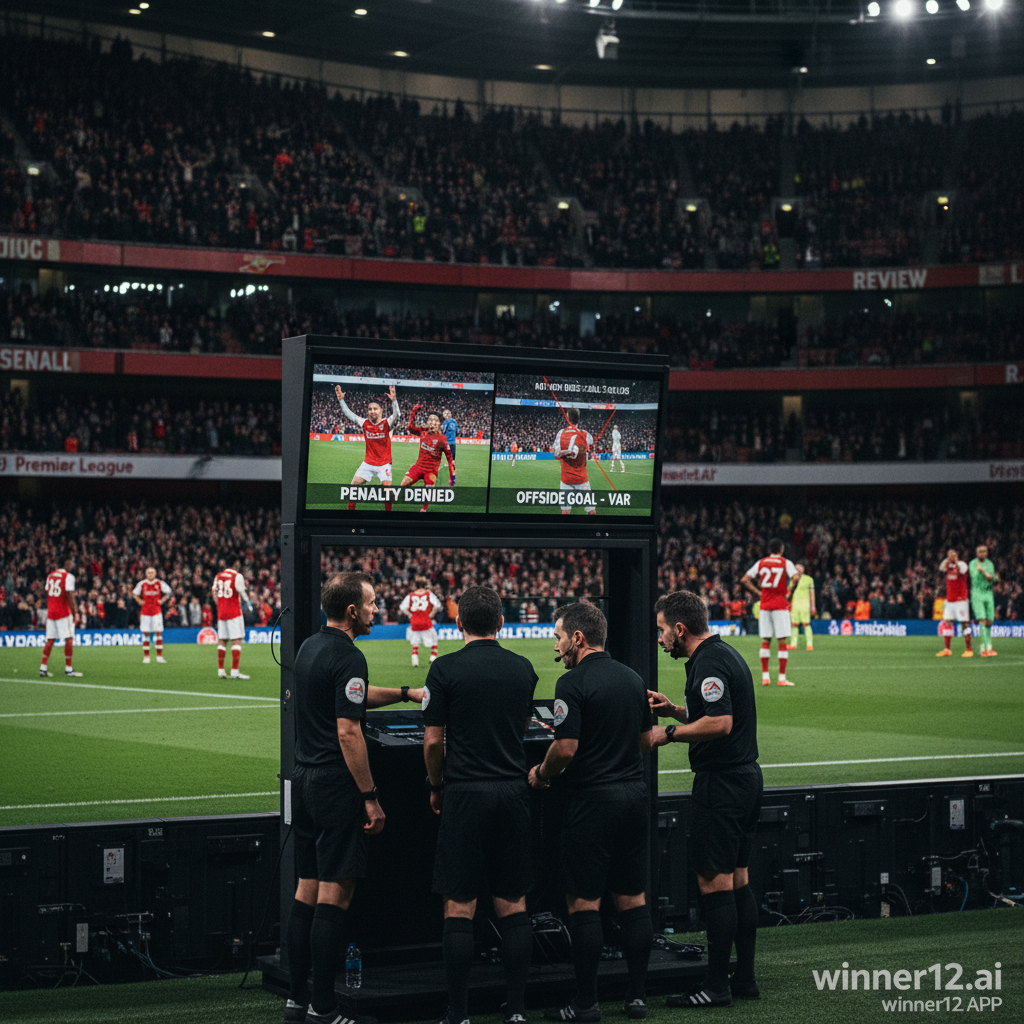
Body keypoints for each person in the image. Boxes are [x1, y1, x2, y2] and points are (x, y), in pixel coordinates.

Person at [284, 571, 425, 1024]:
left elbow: (352, 699)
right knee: (334, 897)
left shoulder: (309, 647)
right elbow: (348, 730)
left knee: (306, 891)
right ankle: (324, 1008)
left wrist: (406, 694)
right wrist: (370, 795)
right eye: (371, 602)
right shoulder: (349, 656)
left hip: (304, 779)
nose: (376, 609)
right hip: (334, 785)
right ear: (351, 610)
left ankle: (296, 1000)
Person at [529, 602, 654, 1022]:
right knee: (632, 899)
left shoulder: (572, 683)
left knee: (584, 903)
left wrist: (541, 773)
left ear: (578, 638)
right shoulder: (634, 678)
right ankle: (636, 998)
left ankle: (585, 1003)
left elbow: (565, 748)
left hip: (592, 802)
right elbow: (645, 741)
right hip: (634, 797)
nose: (557, 647)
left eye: (559, 638)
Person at [422, 586, 539, 1024]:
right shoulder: (523, 668)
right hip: (512, 791)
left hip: (465, 792)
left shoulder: (444, 668)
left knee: (459, 905)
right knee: (513, 903)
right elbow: (523, 724)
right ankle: (517, 1010)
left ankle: (459, 1013)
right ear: (501, 623)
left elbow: (432, 741)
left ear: (458, 623)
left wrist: (437, 784)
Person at [648, 590, 762, 1009]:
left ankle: (715, 986)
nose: (660, 639)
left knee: (714, 883)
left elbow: (721, 722)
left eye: (662, 630)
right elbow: (713, 713)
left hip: (722, 784)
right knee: (738, 879)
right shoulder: (724, 653)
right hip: (746, 779)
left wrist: (668, 733)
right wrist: (676, 711)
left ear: (680, 629)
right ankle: (744, 977)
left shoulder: (709, 662)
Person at [334, 383, 400, 512]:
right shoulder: (364, 423)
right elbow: (350, 415)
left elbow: (397, 415)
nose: (372, 411)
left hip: (384, 464)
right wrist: (341, 400)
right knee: (353, 487)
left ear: (381, 410)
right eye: (370, 409)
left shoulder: (387, 423)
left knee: (387, 491)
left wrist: (394, 401)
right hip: (368, 463)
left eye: (375, 409)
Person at [741, 539, 799, 686]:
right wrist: (790, 593)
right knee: (782, 642)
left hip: (765, 605)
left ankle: (765, 677)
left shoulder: (761, 563)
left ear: (769, 550)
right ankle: (781, 678)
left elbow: (745, 579)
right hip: (780, 605)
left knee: (766, 641)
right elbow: (796, 577)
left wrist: (759, 593)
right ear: (781, 549)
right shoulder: (786, 563)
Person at [399, 405, 456, 513]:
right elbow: (410, 427)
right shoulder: (423, 432)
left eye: (435, 420)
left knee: (429, 491)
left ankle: (424, 508)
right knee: (403, 485)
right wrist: (414, 412)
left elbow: (450, 460)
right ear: (427, 422)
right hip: (418, 467)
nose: (432, 422)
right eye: (430, 419)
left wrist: (452, 478)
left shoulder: (442, 440)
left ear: (440, 424)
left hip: (431, 471)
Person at [40, 559, 82, 678]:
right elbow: (70, 596)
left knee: (50, 640)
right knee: (69, 639)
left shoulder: (50, 576)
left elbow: (47, 592)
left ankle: (43, 668)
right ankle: (68, 669)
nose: (73, 565)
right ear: (66, 563)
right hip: (64, 612)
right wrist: (75, 612)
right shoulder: (68, 577)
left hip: (51, 612)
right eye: (71, 562)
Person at [552, 407, 595, 516]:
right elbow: (590, 454)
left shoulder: (561, 433)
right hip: (582, 479)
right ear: (578, 419)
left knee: (566, 511)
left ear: (567, 418)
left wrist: (566, 453)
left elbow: (556, 455)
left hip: (566, 479)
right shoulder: (586, 435)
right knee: (591, 511)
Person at [212, 561, 250, 679]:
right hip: (234, 612)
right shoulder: (237, 576)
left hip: (222, 613)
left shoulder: (218, 576)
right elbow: (241, 591)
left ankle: (221, 670)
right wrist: (248, 603)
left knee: (222, 640)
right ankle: (235, 671)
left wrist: (220, 605)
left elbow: (214, 592)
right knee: (236, 640)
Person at [399, 576, 443, 667]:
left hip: (414, 621)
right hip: (425, 620)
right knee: (434, 638)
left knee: (415, 642)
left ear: (416, 586)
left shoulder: (410, 595)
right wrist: (432, 613)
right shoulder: (428, 594)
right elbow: (438, 605)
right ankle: (433, 657)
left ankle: (415, 660)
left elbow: (402, 607)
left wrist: (410, 615)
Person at [937, 549, 972, 658]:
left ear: (957, 555)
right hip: (950, 600)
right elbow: (941, 568)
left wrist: (955, 561)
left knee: (964, 623)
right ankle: (947, 649)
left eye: (953, 555)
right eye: (949, 555)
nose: (951, 557)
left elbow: (963, 570)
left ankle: (969, 649)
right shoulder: (948, 565)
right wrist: (947, 560)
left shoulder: (962, 564)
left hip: (961, 600)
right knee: (947, 622)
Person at [133, 566, 171, 664]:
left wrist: (162, 600)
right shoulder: (142, 584)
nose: (150, 574)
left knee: (158, 632)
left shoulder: (159, 583)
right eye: (148, 573)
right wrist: (139, 601)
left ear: (155, 574)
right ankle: (146, 656)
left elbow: (169, 592)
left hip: (156, 612)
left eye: (152, 572)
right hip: (145, 612)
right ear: (146, 574)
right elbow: (134, 593)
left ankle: (159, 656)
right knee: (146, 633)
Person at [969, 544, 999, 657]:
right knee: (982, 620)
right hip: (977, 593)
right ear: (977, 553)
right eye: (980, 551)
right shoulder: (973, 563)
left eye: (984, 551)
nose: (982, 553)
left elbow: (993, 579)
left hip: (988, 593)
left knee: (989, 621)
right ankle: (985, 648)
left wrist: (995, 579)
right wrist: (982, 571)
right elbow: (974, 576)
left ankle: (988, 647)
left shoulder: (990, 564)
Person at [786, 563, 815, 652]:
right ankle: (793, 644)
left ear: (803, 569)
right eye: (796, 568)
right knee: (794, 625)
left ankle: (809, 644)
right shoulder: (792, 579)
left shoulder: (809, 579)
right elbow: (789, 592)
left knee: (806, 625)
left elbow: (812, 593)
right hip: (795, 605)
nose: (798, 570)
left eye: (800, 568)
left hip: (805, 605)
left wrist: (813, 606)